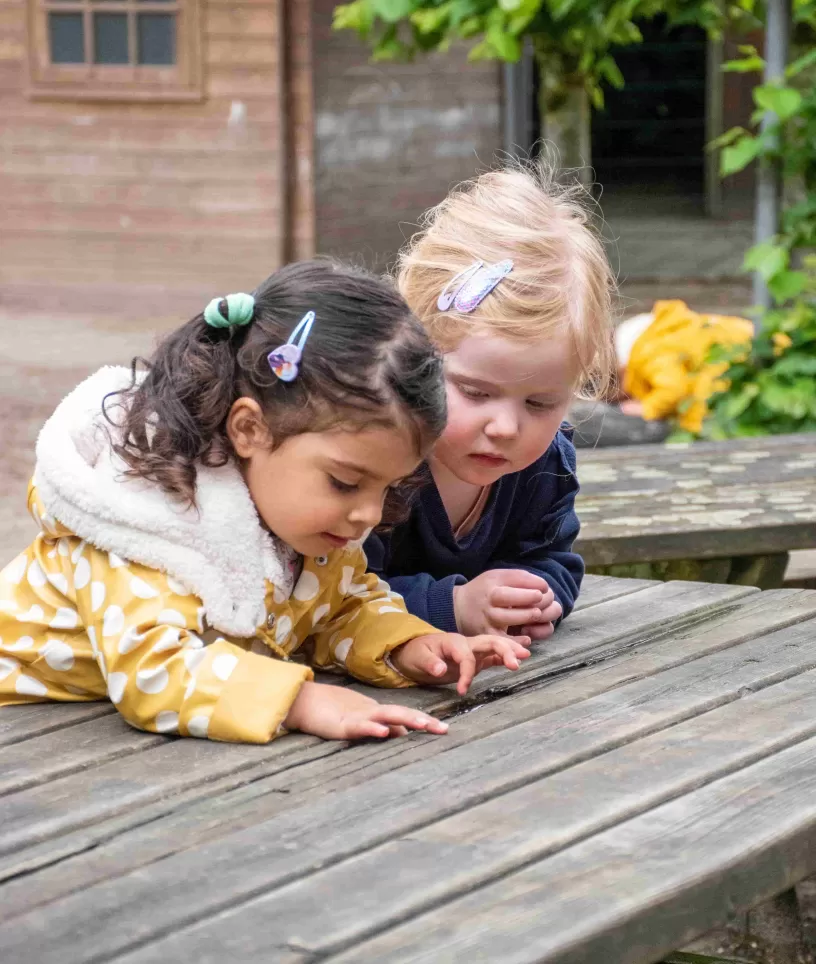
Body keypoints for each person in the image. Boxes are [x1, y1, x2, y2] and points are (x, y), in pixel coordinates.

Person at [0, 260, 529, 744]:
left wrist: (410, 647)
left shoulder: (299, 522)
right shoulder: (151, 524)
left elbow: (339, 609)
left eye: (388, 488)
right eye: (346, 482)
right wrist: (301, 701)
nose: (369, 514)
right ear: (250, 429)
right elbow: (157, 675)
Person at [365, 161, 615, 642]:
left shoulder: (546, 465)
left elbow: (551, 558)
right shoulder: (372, 458)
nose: (506, 427)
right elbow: (332, 594)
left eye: (540, 403)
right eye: (475, 392)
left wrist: (535, 596)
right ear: (412, 351)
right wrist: (454, 606)